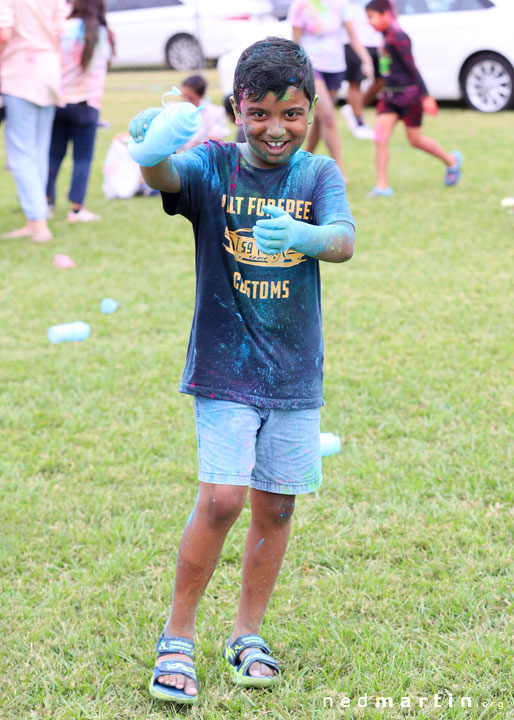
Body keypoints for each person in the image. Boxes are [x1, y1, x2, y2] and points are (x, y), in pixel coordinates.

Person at [128, 36, 355, 704]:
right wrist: (151, 153)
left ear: (311, 109)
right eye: (259, 114)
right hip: (225, 367)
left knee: (277, 509)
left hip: (293, 374)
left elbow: (343, 240)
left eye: (291, 114)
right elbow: (166, 178)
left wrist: (307, 237)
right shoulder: (214, 167)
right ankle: (177, 638)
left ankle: (246, 635)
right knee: (223, 498)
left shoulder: (317, 176)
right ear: (236, 110)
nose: (275, 129)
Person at [365, 0, 462, 197]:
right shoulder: (385, 37)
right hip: (390, 97)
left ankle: (451, 160)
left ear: (386, 15)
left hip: (409, 96)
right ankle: (382, 187)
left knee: (415, 140)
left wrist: (425, 96)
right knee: (380, 137)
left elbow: (412, 67)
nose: (369, 22)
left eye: (371, 17)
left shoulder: (399, 37)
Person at [0, 0, 67, 243]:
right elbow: (61, 33)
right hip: (50, 72)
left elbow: (3, 33)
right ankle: (36, 218)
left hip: (21, 72)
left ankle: (38, 222)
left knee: (21, 153)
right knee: (38, 150)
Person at [288, 0, 374, 178]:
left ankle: (299, 162)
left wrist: (366, 60)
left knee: (321, 118)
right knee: (328, 116)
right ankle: (339, 171)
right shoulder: (300, 5)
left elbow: (353, 36)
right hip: (311, 65)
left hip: (335, 67)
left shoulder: (340, 4)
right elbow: (295, 42)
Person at [46, 0, 114, 223]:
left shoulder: (62, 27)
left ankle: (46, 203)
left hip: (58, 103)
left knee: (53, 155)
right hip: (87, 105)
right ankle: (76, 210)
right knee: (82, 159)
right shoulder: (103, 33)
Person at [341, 0, 383, 139]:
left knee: (382, 80)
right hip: (354, 43)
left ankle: (352, 109)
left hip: (375, 41)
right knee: (355, 83)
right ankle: (359, 122)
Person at [177, 74, 230, 152]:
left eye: (190, 98)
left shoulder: (214, 112)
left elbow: (216, 141)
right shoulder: (177, 112)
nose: (185, 100)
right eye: (184, 96)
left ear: (201, 96)